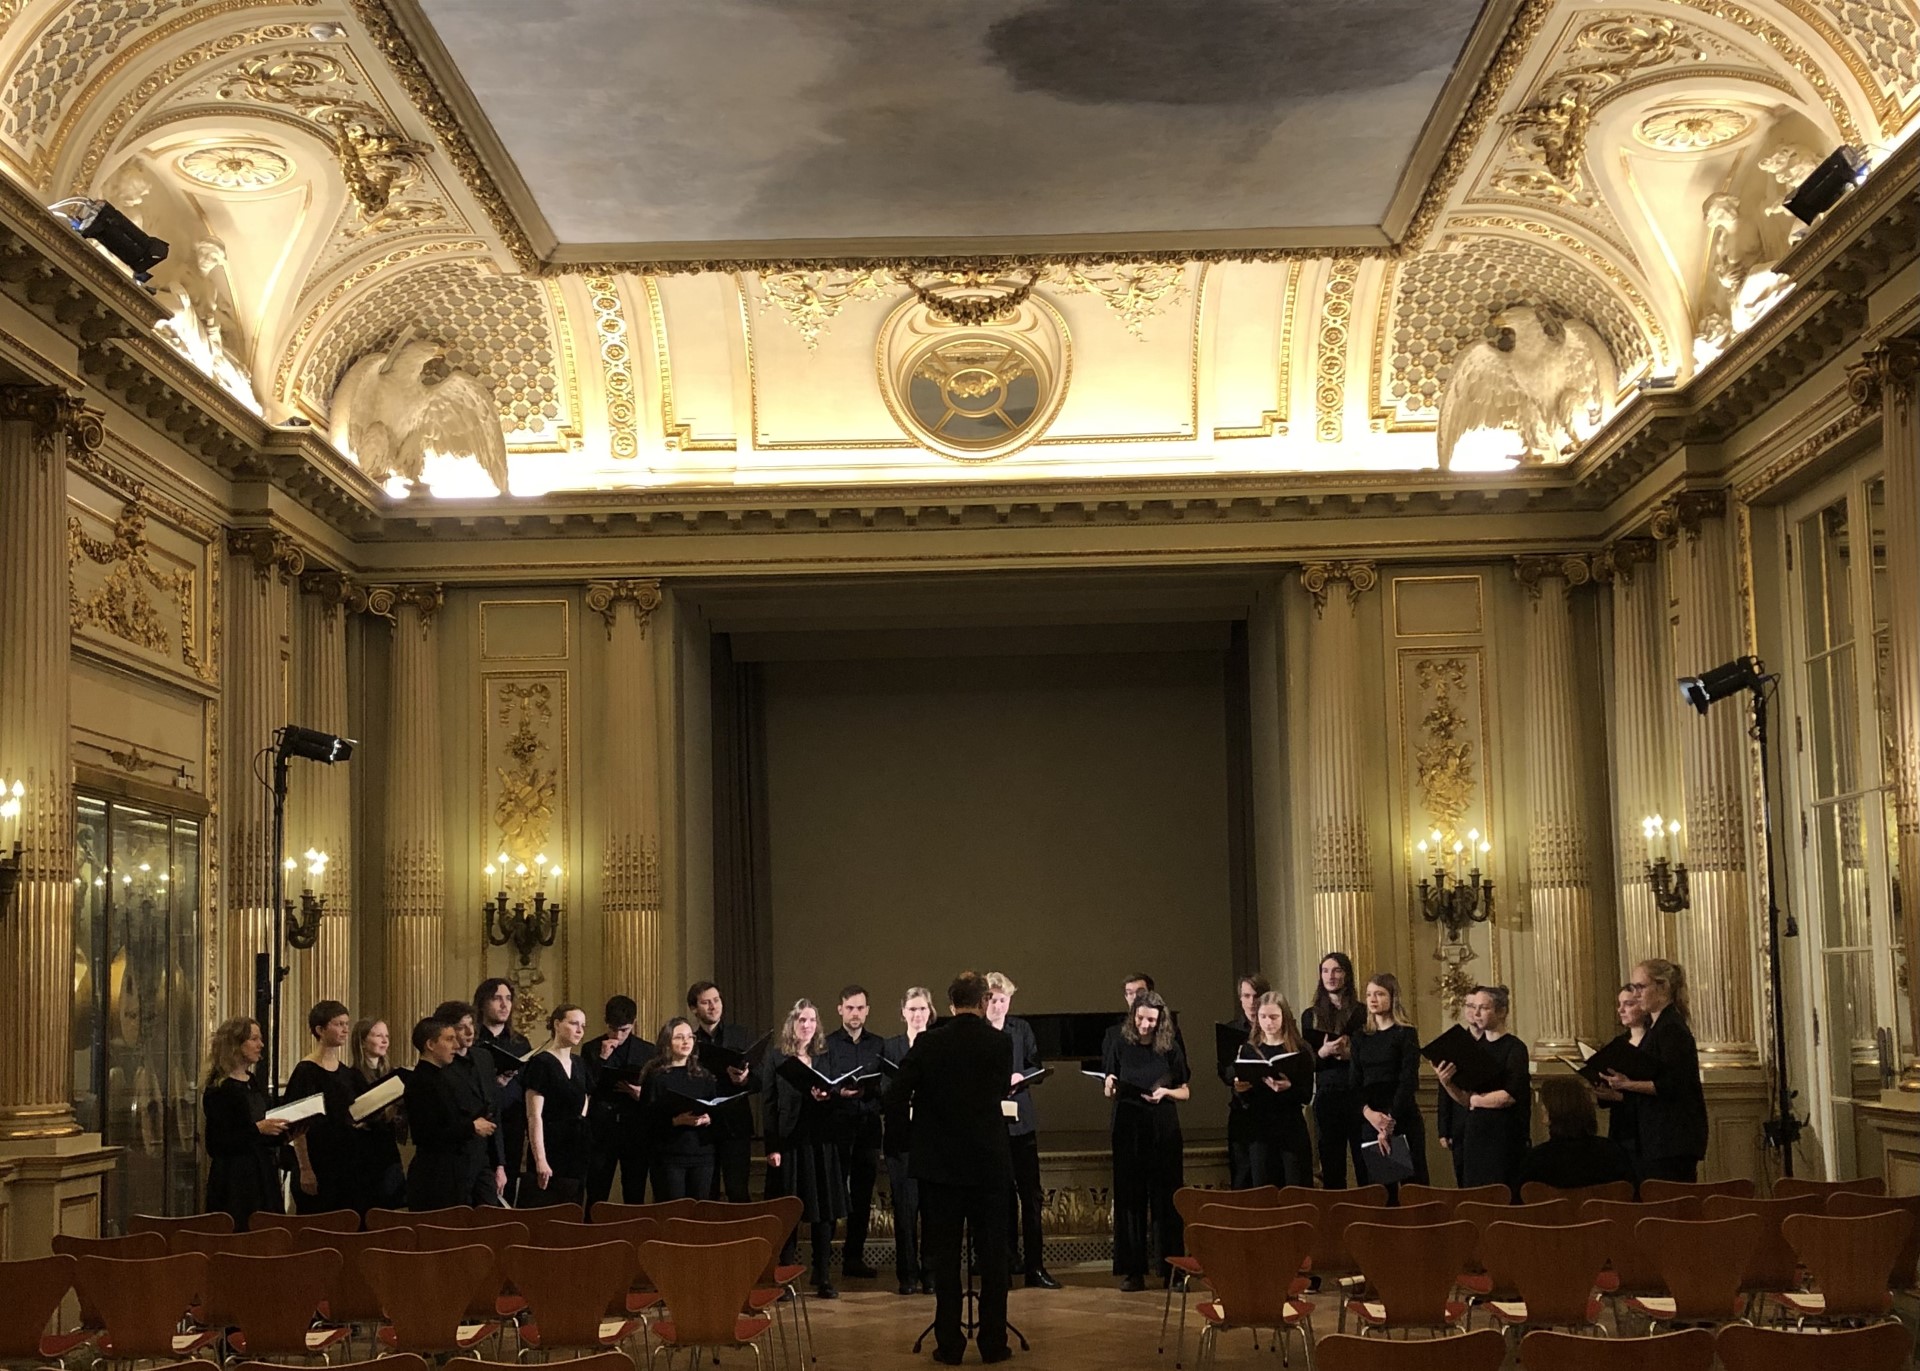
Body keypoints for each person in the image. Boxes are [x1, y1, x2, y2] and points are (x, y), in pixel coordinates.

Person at [884, 971, 1016, 1367]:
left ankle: (950, 1344)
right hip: (988, 1164)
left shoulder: (928, 1042)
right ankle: (993, 1343)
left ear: (950, 1004)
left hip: (939, 1167)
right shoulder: (1000, 1042)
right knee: (993, 1259)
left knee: (945, 1259)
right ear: (983, 1002)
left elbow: (894, 1095)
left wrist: (905, 1142)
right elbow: (996, 1092)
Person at [1104, 989, 1190, 1292]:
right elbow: (1108, 1082)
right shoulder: (1120, 1043)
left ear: (1160, 1020)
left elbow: (1185, 1090)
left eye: (1151, 1020)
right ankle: (1133, 1271)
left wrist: (1166, 1092)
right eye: (1140, 1018)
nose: (1144, 1024)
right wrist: (1110, 1083)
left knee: (1167, 1199)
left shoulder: (1170, 1048)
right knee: (1130, 1199)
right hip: (1128, 1124)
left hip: (1161, 1127)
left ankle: (1172, 1271)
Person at [763, 998, 848, 1299]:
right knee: (790, 1212)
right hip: (789, 1142)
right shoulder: (777, 1058)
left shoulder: (826, 1057)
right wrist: (772, 1147)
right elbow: (769, 1105)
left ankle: (822, 1276)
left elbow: (839, 1096)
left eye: (812, 1020)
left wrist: (830, 1096)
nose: (807, 1025)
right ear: (792, 1024)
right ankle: (785, 1276)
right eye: (802, 1020)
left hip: (821, 1142)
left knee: (823, 1211)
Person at [1602, 959, 1708, 1183]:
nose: (1636, 994)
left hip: (1671, 1139)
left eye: (1641, 987)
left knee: (1668, 1206)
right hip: (1657, 1138)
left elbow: (1671, 1085)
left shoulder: (1671, 1029)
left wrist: (1625, 1084)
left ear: (1662, 987)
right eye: (1634, 987)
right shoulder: (1657, 1028)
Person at [985, 971, 1059, 1289]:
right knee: (996, 1196)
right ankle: (1003, 1262)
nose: (996, 1005)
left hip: (1021, 1123)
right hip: (990, 1123)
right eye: (990, 999)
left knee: (1030, 1197)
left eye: (1002, 1000)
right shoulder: (978, 1032)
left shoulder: (1021, 1029)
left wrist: (1021, 1075)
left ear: (1009, 1000)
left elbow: (1035, 1065)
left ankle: (1035, 1267)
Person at [1436, 984, 1531, 1198]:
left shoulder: (1515, 1048)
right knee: (1475, 1196)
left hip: (1504, 1136)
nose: (1476, 1013)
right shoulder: (1475, 1048)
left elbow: (1508, 1096)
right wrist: (1448, 1083)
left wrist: (1475, 1100)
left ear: (1501, 1011)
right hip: (1475, 1135)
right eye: (1474, 1007)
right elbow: (1464, 1099)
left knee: (1503, 1195)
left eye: (1483, 1008)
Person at [822, 985, 885, 1280]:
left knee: (862, 1195)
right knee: (834, 1192)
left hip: (869, 1126)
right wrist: (838, 1091)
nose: (855, 1013)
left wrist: (871, 1090)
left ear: (868, 1010)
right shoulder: (828, 1044)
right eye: (850, 1008)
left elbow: (885, 1084)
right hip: (837, 1125)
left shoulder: (878, 1044)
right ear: (840, 1010)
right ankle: (823, 1260)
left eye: (860, 1008)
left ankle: (854, 1257)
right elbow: (822, 1082)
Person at [202, 1016, 286, 1227]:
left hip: (262, 1173)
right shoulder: (219, 1088)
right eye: (254, 1039)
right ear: (235, 1045)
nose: (261, 1045)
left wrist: (283, 1132)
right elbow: (217, 1143)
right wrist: (258, 1129)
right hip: (235, 1180)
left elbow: (262, 1127)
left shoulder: (252, 1081)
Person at [1348, 974, 1429, 1192]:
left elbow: (1407, 1080)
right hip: (1371, 1119)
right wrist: (1369, 1115)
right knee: (1383, 1192)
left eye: (1380, 994)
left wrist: (1389, 1122)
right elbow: (1355, 1083)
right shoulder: (1360, 1036)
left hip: (1401, 1116)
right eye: (1369, 995)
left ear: (1393, 998)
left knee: (1412, 1190)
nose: (1373, 999)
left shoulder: (1406, 1033)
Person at [404, 1016, 494, 1210]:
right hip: (436, 1178)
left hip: (454, 1172)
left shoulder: (441, 1077)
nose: (456, 1045)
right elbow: (427, 1133)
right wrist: (471, 1126)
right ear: (430, 1044)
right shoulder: (422, 1082)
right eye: (449, 1039)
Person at [882, 986, 935, 1296]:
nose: (917, 1015)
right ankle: (907, 1276)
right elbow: (886, 1093)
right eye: (912, 1009)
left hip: (930, 1139)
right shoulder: (891, 1048)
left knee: (930, 1210)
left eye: (923, 1009)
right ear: (902, 1012)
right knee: (904, 1210)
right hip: (900, 1137)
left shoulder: (937, 1045)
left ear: (931, 1012)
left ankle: (930, 1274)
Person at [689, 980, 760, 1202]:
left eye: (717, 1000)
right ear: (694, 1009)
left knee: (737, 1191)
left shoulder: (741, 1035)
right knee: (704, 1194)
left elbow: (761, 1079)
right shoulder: (689, 1041)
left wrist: (744, 1079)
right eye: (706, 1002)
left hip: (735, 1124)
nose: (713, 1006)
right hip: (703, 1126)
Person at [283, 999, 356, 1213]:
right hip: (316, 1161)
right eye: (338, 1024)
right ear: (320, 1030)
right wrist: (305, 1168)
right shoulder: (306, 1071)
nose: (345, 1029)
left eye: (346, 1024)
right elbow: (297, 1125)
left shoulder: (346, 1073)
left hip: (343, 1163)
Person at [1237, 990, 1313, 1187]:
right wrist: (1241, 1088)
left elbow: (1306, 1095)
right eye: (1263, 1017)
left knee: (1295, 1187)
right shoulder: (1249, 1049)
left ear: (1284, 1017)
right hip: (1260, 1128)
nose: (1268, 1022)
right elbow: (1245, 1099)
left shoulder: (1300, 1049)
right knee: (1264, 1188)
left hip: (1290, 1127)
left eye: (1274, 1017)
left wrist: (1289, 1087)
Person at [1303, 953, 1366, 1188]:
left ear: (1347, 975)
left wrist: (1352, 1055)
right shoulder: (1311, 1016)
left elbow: (1373, 1055)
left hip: (1358, 1095)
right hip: (1328, 1095)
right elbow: (1306, 1061)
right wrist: (1324, 1052)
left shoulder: (1362, 1012)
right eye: (1325, 971)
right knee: (1332, 1166)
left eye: (1337, 970)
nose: (1331, 976)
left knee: (1365, 1163)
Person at [435, 998, 505, 1206]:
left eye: (471, 1025)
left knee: (490, 1214)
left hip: (483, 1156)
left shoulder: (484, 1057)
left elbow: (494, 1110)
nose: (469, 1031)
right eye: (461, 1027)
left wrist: (500, 1164)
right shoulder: (442, 1065)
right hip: (455, 1157)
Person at [642, 1016, 719, 1200]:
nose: (686, 1041)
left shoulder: (704, 1076)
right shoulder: (656, 1077)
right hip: (669, 1156)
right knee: (673, 1214)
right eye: (679, 1037)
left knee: (699, 1215)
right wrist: (675, 1121)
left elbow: (717, 1110)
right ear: (667, 1042)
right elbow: (645, 1119)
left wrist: (710, 1118)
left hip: (702, 1154)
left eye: (689, 1037)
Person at [523, 1003, 593, 1205]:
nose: (580, 1030)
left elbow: (585, 1101)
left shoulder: (579, 1063)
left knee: (573, 1207)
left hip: (577, 1148)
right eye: (573, 1023)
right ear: (557, 1024)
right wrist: (540, 1160)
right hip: (551, 1146)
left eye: (583, 1025)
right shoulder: (541, 1063)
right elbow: (534, 1116)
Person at [1519, 1075, 1637, 1192]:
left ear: (1551, 1112)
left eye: (1544, 1104)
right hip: (1599, 1211)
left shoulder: (1536, 1160)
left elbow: (1520, 1204)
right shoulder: (1613, 1153)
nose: (1542, 1108)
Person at [585, 995, 651, 1205]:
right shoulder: (591, 1048)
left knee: (634, 1188)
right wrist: (601, 1059)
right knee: (597, 1188)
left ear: (633, 1025)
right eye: (613, 1029)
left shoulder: (647, 1051)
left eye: (624, 1030)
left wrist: (640, 1093)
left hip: (634, 1128)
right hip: (602, 1129)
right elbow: (587, 1087)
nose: (618, 1035)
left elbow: (657, 1091)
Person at [474, 978, 531, 1203]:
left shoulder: (519, 1043)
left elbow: (526, 1084)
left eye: (508, 998)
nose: (504, 1004)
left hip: (512, 1122)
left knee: (509, 1182)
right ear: (482, 1003)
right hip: (483, 1122)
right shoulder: (474, 1042)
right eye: (497, 998)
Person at [347, 1017, 406, 1213]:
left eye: (386, 1036)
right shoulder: (351, 1076)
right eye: (378, 1035)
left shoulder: (392, 1073)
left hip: (387, 1149)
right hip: (363, 1152)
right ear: (362, 1041)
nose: (384, 1040)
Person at [1221, 973, 1271, 1188]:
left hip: (1270, 1111)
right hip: (1242, 1110)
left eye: (1256, 996)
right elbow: (1223, 1071)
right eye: (1246, 996)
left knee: (1267, 1177)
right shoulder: (1231, 1030)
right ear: (1240, 998)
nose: (1251, 1002)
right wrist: (1237, 1071)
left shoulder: (1276, 1030)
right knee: (1241, 1177)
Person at [1594, 983, 1649, 1173]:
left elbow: (1663, 1089)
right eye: (1620, 1004)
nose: (1621, 1010)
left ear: (1643, 1006)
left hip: (1647, 1128)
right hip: (1621, 1127)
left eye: (1628, 1004)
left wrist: (1621, 1096)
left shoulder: (1654, 1042)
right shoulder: (1618, 1044)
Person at [1435, 1005, 1480, 1186]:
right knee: (1462, 1178)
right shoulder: (1454, 1043)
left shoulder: (1494, 1044)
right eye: (1469, 1006)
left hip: (1484, 1121)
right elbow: (1444, 1089)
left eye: (1478, 1007)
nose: (1473, 1011)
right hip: (1459, 1124)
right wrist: (1443, 1130)